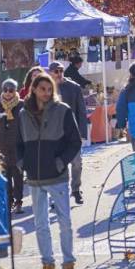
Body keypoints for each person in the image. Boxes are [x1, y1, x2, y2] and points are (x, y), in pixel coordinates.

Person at [17, 71, 85, 269]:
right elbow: (18, 143)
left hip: (57, 176)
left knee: (65, 223)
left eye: (49, 89)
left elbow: (75, 142)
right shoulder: (23, 113)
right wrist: (22, 163)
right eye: (42, 89)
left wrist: (60, 162)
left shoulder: (62, 111)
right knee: (41, 225)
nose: (46, 93)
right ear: (34, 89)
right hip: (35, 177)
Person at [49, 61, 89, 205]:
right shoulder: (46, 89)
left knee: (77, 163)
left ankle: (76, 190)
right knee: (57, 166)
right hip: (54, 135)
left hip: (72, 133)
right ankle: (56, 195)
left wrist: (82, 133)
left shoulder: (73, 87)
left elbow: (81, 111)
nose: (59, 74)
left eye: (61, 70)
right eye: (56, 71)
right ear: (50, 73)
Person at [0, 79, 24, 214]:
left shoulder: (21, 105)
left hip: (18, 146)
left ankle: (19, 201)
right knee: (5, 176)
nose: (8, 93)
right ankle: (8, 202)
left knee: (18, 176)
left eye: (11, 90)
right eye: (5, 90)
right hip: (2, 147)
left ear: (15, 91)